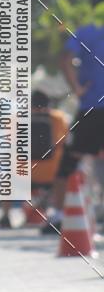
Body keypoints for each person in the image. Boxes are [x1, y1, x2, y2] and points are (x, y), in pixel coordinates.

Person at [41, 17, 104, 235]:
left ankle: (59, 214)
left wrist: (76, 88)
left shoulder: (87, 30)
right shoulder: (88, 31)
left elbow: (65, 59)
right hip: (92, 108)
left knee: (70, 161)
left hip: (92, 108)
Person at [0, 90, 69, 229]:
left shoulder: (16, 118)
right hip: (52, 175)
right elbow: (65, 142)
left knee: (6, 175)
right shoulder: (58, 118)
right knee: (65, 172)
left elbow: (9, 145)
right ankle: (58, 213)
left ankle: (5, 216)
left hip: (23, 175)